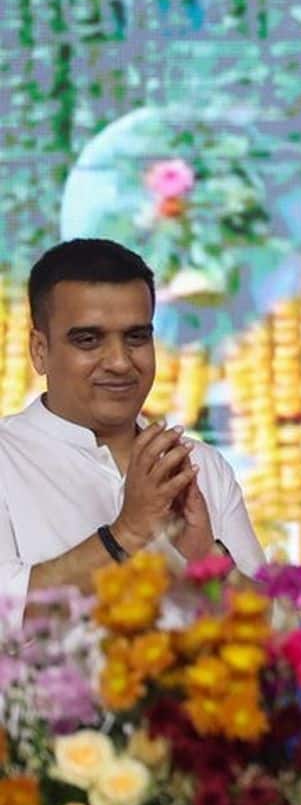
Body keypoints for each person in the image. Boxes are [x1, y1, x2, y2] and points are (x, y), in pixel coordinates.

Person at [1, 240, 263, 618]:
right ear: (39, 350)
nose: (120, 362)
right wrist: (127, 534)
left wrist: (207, 559)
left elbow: (274, 630)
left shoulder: (200, 466)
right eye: (89, 340)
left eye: (136, 337)